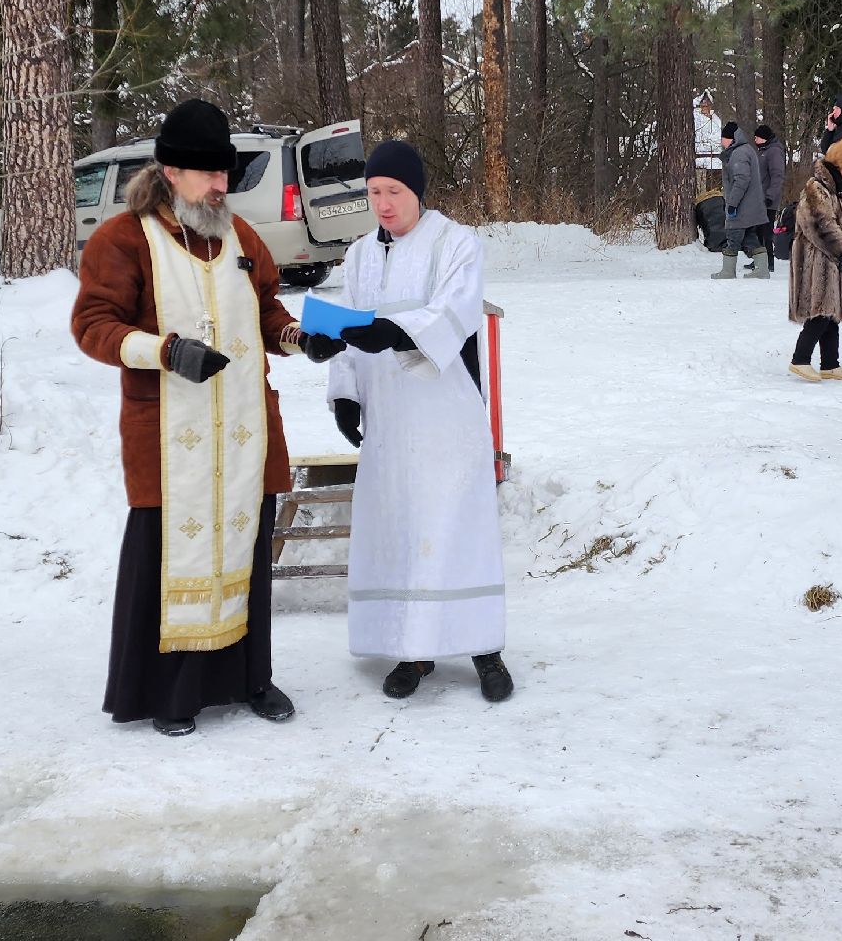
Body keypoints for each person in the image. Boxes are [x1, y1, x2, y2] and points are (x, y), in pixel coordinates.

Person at [71, 98, 317, 737]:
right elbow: (93, 326)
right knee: (166, 560)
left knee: (246, 556)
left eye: (224, 173)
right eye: (208, 173)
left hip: (243, 433)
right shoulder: (123, 239)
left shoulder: (242, 238)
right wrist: (165, 351)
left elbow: (268, 312)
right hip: (167, 439)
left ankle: (251, 679)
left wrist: (299, 338)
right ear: (170, 172)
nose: (220, 185)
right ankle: (169, 692)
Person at [325, 140, 513, 703]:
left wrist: (396, 332)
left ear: (417, 191)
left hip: (444, 416)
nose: (383, 204)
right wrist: (345, 393)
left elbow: (455, 310)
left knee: (457, 529)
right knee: (401, 531)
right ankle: (413, 651)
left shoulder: (456, 242)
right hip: (388, 421)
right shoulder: (359, 255)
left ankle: (484, 649)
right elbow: (343, 327)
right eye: (374, 192)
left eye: (394, 191)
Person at [788, 136, 842, 382]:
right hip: (817, 260)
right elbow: (819, 224)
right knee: (822, 311)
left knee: (832, 313)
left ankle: (830, 364)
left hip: (837, 260)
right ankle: (800, 360)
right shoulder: (816, 189)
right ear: (839, 163)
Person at [716, 121, 770, 279]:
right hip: (750, 207)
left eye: (723, 138)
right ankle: (762, 270)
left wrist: (732, 204)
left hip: (742, 207)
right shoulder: (745, 150)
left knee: (732, 237)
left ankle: (728, 271)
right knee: (750, 238)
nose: (721, 142)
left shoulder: (739, 153)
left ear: (730, 138)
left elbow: (741, 181)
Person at [756, 125, 789, 274]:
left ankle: (768, 261)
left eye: (757, 137)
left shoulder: (774, 151)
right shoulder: (763, 151)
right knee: (758, 230)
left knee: (766, 231)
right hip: (760, 198)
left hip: (768, 199)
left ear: (764, 138)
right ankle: (759, 259)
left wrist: (770, 196)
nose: (755, 140)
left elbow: (777, 176)